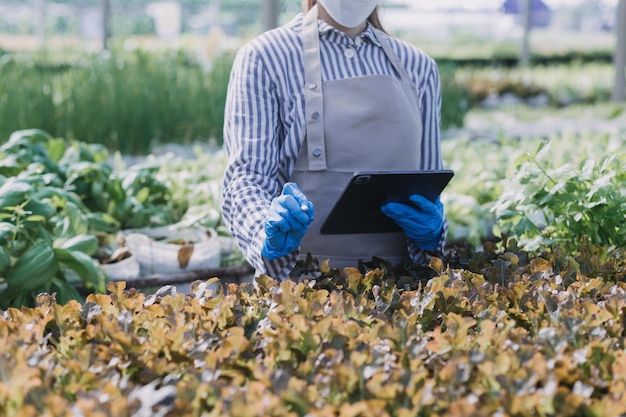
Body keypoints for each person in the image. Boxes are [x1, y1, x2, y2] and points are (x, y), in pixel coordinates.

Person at [220, 0, 448, 281]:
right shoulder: (265, 57)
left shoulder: (420, 67)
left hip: (403, 292)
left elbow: (427, 182)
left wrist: (432, 234)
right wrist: (264, 229)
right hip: (300, 289)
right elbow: (246, 179)